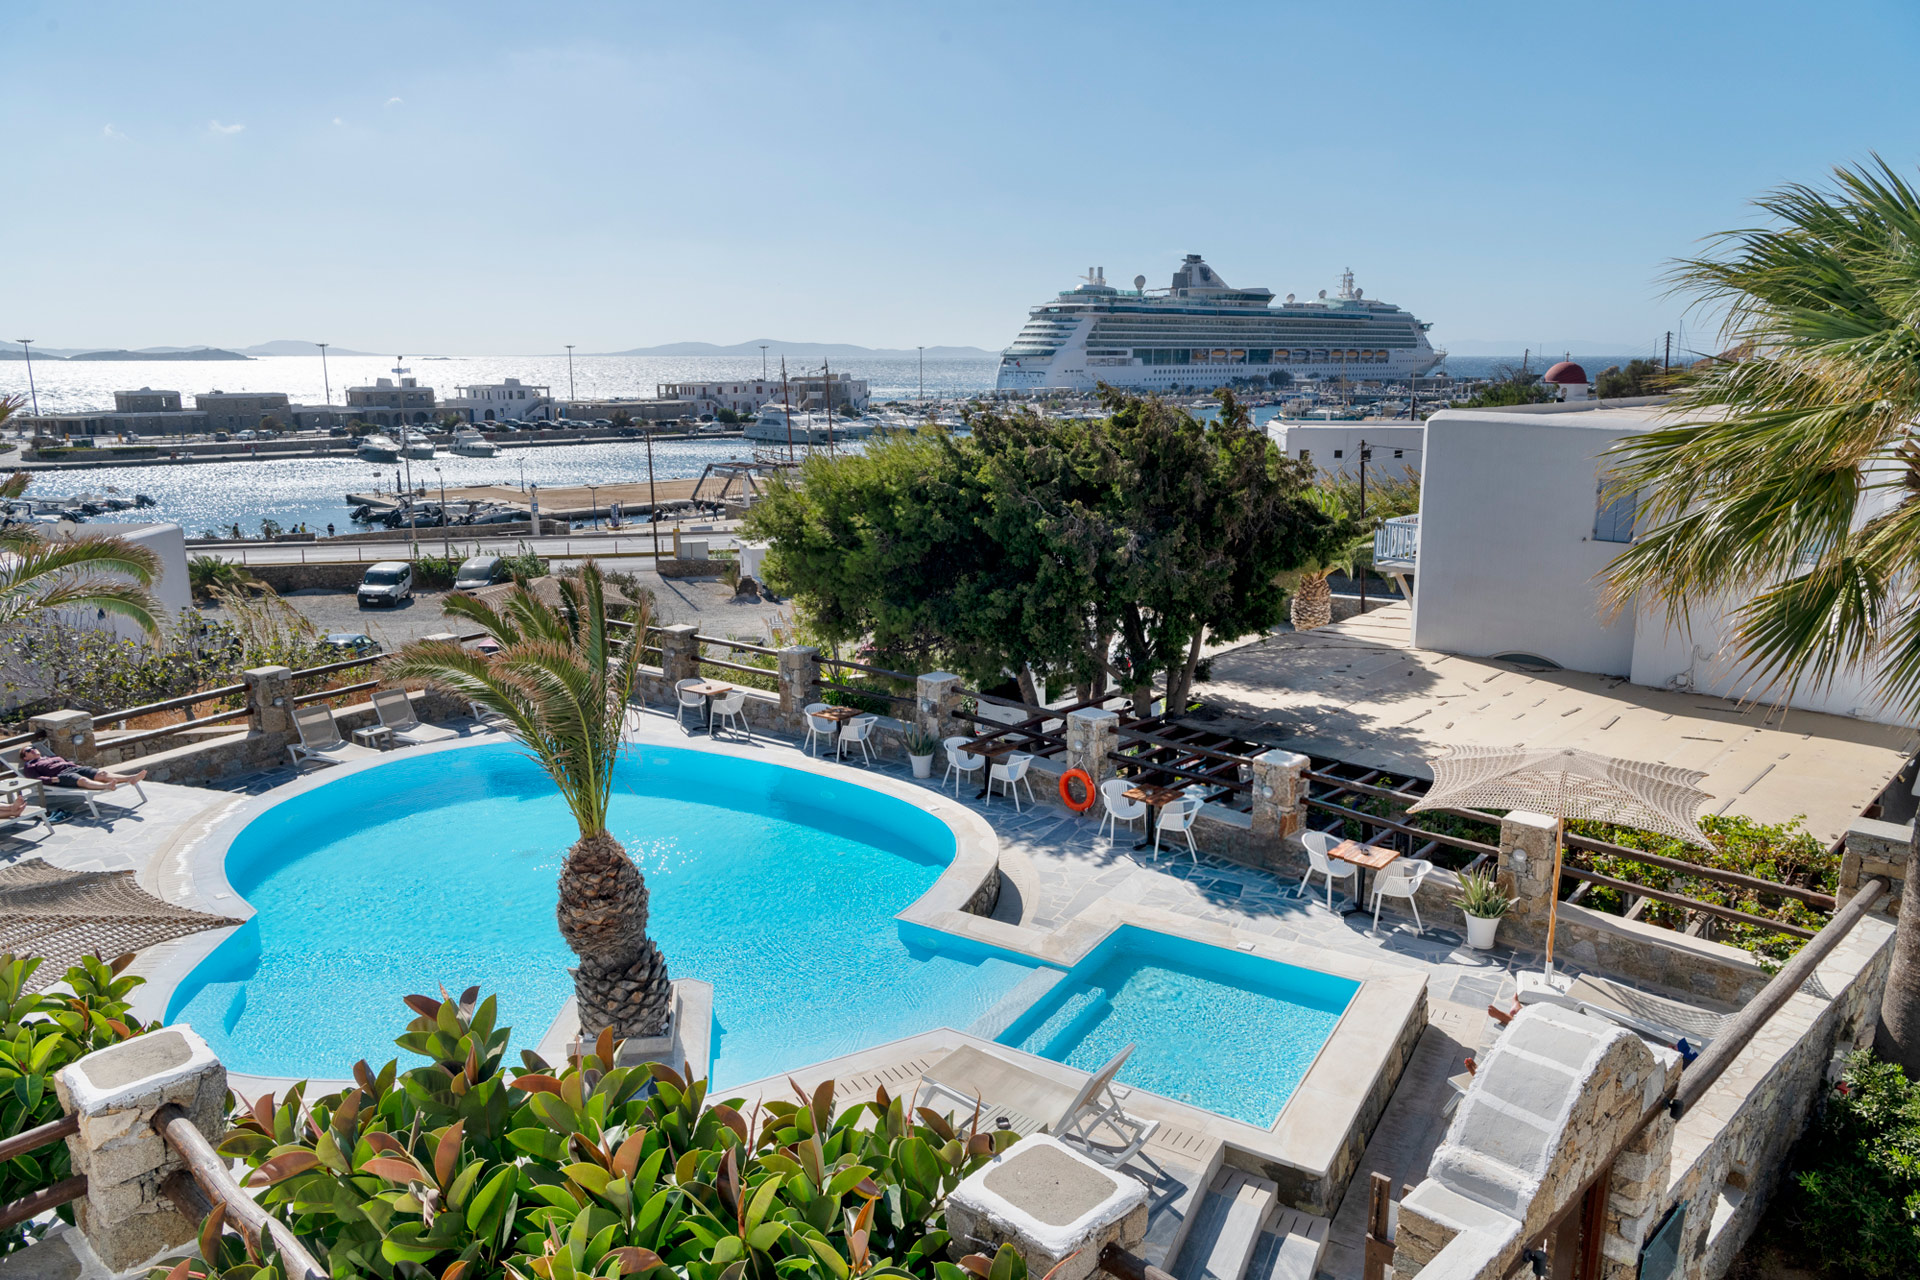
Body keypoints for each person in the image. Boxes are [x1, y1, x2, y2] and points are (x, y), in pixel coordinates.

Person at [17, 746, 148, 791]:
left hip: (74, 768)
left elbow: (67, 762)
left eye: (34, 747)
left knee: (102, 773)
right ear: (25, 757)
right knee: (83, 781)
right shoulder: (30, 766)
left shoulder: (49, 757)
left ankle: (130, 778)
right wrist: (52, 780)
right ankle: (107, 786)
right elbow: (35, 779)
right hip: (60, 776)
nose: (33, 750)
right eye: (29, 750)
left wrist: (76, 766)